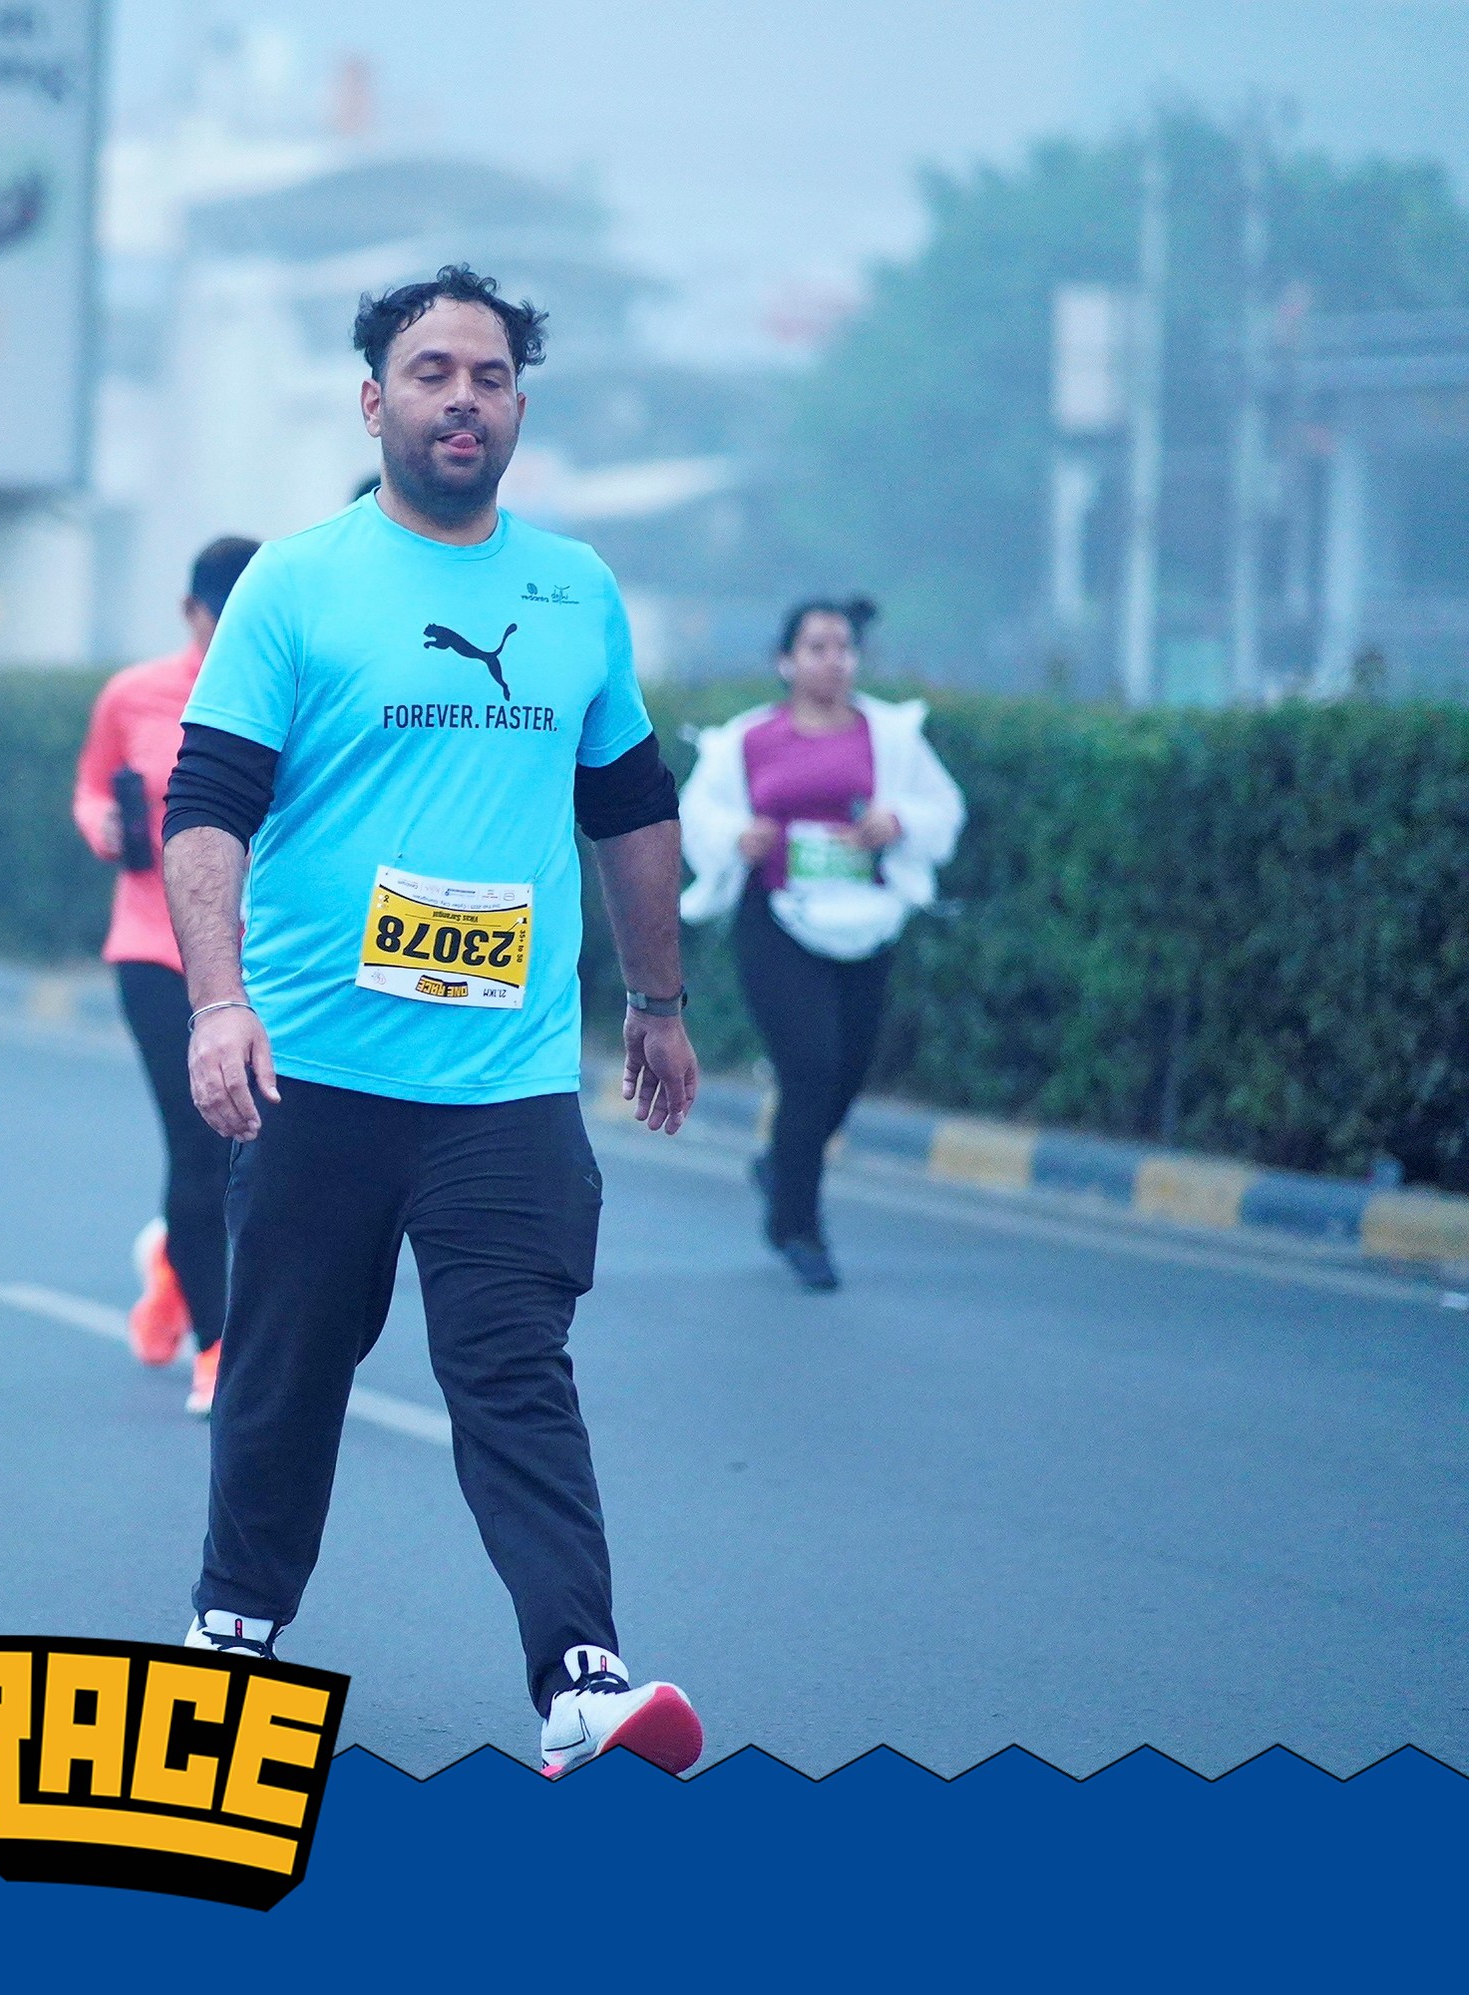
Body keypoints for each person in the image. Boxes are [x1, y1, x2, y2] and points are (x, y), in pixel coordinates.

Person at [160, 265, 706, 1777]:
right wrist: (218, 1003)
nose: (462, 398)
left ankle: (581, 1678)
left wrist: (658, 1002)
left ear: (518, 407)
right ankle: (234, 1633)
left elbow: (629, 803)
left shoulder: (576, 589)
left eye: (489, 376)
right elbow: (205, 804)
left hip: (505, 1081)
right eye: (431, 372)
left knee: (516, 1371)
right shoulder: (298, 583)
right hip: (320, 1070)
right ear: (373, 401)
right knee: (287, 1370)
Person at [676, 598, 964, 1291]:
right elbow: (698, 812)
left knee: (849, 1071)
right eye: (817, 648)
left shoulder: (890, 735)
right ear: (786, 661)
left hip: (865, 919)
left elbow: (943, 808)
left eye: (843, 648)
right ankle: (798, 1227)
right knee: (809, 1065)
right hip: (777, 918)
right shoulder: (747, 739)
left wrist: (898, 822)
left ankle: (781, 1164)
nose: (834, 661)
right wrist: (736, 837)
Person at [73, 535, 262, 1417]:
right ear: (191, 613)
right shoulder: (134, 694)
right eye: (223, 619)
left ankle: (174, 1268)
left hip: (271, 957)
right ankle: (218, 1345)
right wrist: (102, 826)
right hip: (155, 946)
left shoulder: (294, 690)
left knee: (261, 1155)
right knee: (199, 1143)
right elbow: (90, 787)